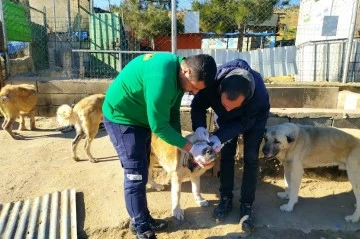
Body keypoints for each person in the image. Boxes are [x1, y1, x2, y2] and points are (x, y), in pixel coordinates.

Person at [102, 52, 217, 239]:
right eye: (194, 87)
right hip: (121, 117)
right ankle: (142, 229)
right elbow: (160, 126)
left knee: (141, 169)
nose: (194, 93)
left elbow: (172, 115)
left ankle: (143, 219)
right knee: (136, 173)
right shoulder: (162, 79)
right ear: (186, 71)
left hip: (141, 118)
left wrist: (180, 145)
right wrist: (191, 147)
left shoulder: (179, 76)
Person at [191, 58, 270, 232]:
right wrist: (199, 127)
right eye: (225, 104)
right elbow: (197, 106)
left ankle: (246, 204)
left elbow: (244, 124)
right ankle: (225, 198)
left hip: (253, 119)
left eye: (232, 106)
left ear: (245, 98)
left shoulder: (258, 95)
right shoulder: (212, 82)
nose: (228, 108)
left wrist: (219, 137)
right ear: (220, 91)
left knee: (250, 157)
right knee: (226, 154)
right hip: (226, 121)